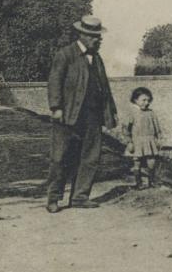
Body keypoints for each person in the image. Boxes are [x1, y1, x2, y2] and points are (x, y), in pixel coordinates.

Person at [45, 15, 118, 213]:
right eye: (94, 37)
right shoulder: (65, 55)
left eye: (99, 37)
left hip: (92, 116)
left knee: (90, 157)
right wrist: (56, 107)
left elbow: (104, 87)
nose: (98, 40)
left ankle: (80, 196)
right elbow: (54, 82)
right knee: (60, 158)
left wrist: (111, 111)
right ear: (82, 35)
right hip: (68, 114)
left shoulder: (97, 59)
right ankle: (53, 198)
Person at [122, 87, 164, 189]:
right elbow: (126, 128)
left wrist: (159, 139)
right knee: (137, 162)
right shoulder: (132, 112)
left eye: (148, 100)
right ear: (135, 100)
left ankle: (151, 181)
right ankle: (138, 183)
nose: (146, 103)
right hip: (137, 141)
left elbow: (157, 127)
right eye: (143, 100)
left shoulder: (151, 113)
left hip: (150, 140)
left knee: (151, 161)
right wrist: (129, 141)